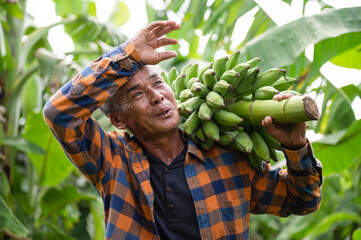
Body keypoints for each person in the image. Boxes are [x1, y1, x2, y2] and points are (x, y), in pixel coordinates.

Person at [43, 20, 322, 240]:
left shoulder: (226, 156)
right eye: (137, 95)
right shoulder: (114, 160)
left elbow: (303, 201)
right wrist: (128, 57)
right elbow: (59, 113)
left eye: (158, 84)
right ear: (118, 120)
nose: (157, 96)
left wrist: (296, 148)